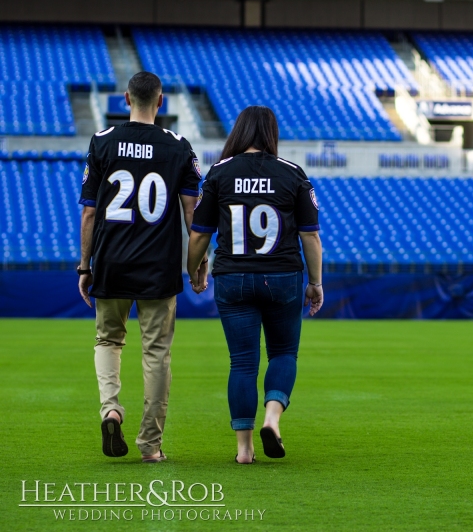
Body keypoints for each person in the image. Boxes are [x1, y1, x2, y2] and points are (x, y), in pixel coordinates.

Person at [78, 71, 207, 463]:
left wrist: (85, 266)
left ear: (126, 99)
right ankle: (150, 445)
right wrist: (198, 265)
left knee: (107, 341)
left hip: (112, 260)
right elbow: (192, 215)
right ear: (161, 101)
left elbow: (89, 214)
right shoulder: (179, 147)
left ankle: (111, 409)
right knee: (156, 354)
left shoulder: (102, 142)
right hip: (159, 266)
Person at [187, 105, 323, 464]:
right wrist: (316, 282)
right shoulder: (293, 174)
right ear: (271, 133)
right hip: (283, 275)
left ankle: (244, 451)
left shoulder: (219, 172)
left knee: (242, 363)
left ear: (240, 131)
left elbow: (200, 234)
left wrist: (193, 270)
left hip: (232, 277)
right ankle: (272, 420)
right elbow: (311, 237)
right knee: (283, 353)